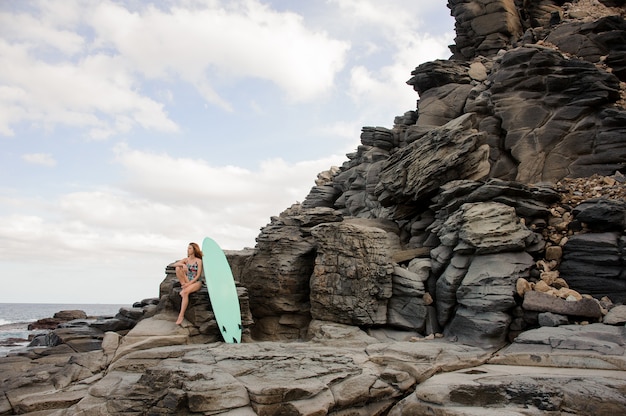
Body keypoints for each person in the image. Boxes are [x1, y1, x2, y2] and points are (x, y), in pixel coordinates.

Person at [173, 242, 204, 325]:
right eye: (187, 248)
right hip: (186, 280)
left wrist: (189, 284)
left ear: (194, 250)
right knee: (178, 268)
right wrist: (183, 265)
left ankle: (181, 315)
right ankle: (184, 286)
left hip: (196, 282)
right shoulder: (186, 260)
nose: (188, 250)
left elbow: (198, 275)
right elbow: (175, 264)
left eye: (190, 248)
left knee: (185, 293)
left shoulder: (199, 261)